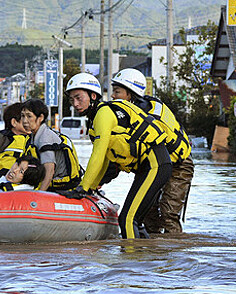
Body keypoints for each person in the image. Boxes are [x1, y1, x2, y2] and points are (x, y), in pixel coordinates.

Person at [64, 72, 172, 239]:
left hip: (155, 164)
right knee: (136, 221)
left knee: (128, 220)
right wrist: (92, 187)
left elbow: (98, 155)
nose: (75, 104)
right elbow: (107, 160)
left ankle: (130, 262)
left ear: (93, 96)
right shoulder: (95, 120)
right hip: (150, 167)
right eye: (72, 100)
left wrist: (83, 188)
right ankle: (148, 257)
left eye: (79, 98)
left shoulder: (103, 114)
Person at [111, 68, 194, 234]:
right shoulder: (132, 114)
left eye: (117, 92)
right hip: (156, 166)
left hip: (179, 165)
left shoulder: (146, 117)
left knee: (168, 213)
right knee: (148, 212)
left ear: (129, 94)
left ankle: (174, 254)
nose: (112, 96)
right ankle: (154, 253)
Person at [21, 99, 82, 192]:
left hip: (60, 187)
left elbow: (49, 171)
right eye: (22, 116)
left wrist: (39, 195)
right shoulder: (34, 136)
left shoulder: (45, 138)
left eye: (29, 116)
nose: (24, 121)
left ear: (40, 118)